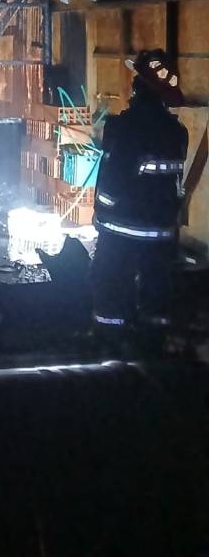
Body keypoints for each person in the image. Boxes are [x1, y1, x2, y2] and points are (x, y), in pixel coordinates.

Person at [92, 48, 188, 353]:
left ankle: (110, 346)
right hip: (161, 231)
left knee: (111, 286)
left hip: (121, 228)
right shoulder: (177, 132)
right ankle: (153, 349)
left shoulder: (124, 128)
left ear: (139, 88)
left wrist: (101, 215)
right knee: (156, 290)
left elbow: (113, 180)